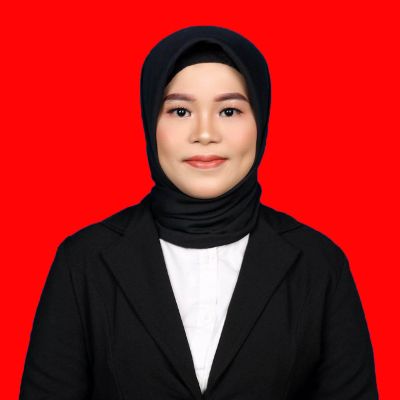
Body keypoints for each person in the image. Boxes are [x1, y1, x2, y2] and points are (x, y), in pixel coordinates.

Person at [19, 25, 379, 399]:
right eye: (180, 111)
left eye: (229, 110)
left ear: (260, 121)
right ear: (150, 122)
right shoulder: (84, 261)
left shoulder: (319, 263)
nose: (205, 133)